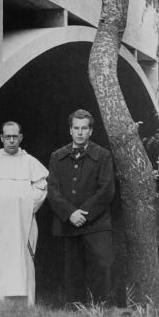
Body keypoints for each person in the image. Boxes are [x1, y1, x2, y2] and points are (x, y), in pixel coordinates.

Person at [0, 121, 48, 305]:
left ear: (21, 138)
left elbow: (41, 188)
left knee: (22, 257)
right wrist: (4, 203)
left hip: (23, 222)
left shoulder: (30, 162)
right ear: (1, 138)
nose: (12, 141)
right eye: (8, 137)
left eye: (15, 136)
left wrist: (21, 203)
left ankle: (21, 303)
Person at [47, 109, 115, 305]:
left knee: (101, 267)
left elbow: (106, 190)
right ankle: (74, 313)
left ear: (90, 131)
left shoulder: (103, 155)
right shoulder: (57, 156)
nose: (79, 132)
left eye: (84, 128)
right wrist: (70, 214)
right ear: (70, 130)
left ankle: (100, 310)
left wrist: (83, 214)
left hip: (97, 223)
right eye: (76, 128)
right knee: (72, 271)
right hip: (68, 223)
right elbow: (52, 191)